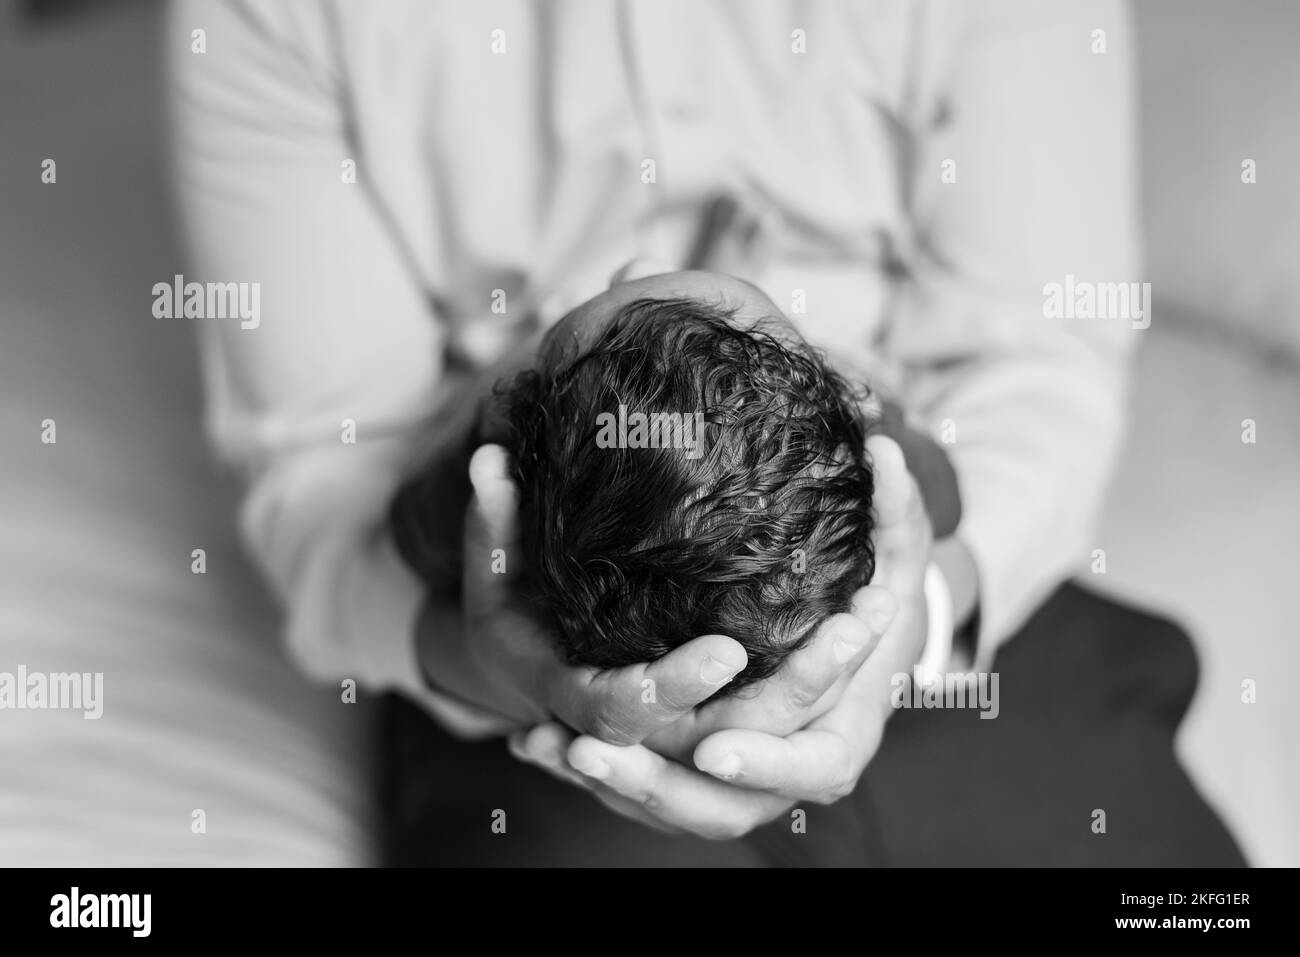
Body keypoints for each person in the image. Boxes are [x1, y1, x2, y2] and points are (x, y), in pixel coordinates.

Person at [168, 0, 1144, 849]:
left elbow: (1042, 355)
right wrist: (503, 662)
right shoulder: (275, 14)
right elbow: (330, 473)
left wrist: (913, 615)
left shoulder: (886, 463)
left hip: (943, 610)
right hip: (517, 681)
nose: (632, 267)